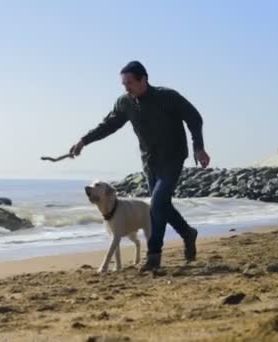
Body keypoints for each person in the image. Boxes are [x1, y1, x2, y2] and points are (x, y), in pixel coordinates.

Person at [69, 61, 210, 271]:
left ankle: (154, 254)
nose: (126, 88)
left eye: (130, 83)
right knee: (161, 205)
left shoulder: (167, 97)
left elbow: (194, 118)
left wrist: (198, 147)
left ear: (144, 79)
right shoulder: (125, 103)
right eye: (124, 84)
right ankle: (188, 233)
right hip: (150, 161)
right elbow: (108, 125)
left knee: (157, 203)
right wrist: (84, 141)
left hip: (172, 158)